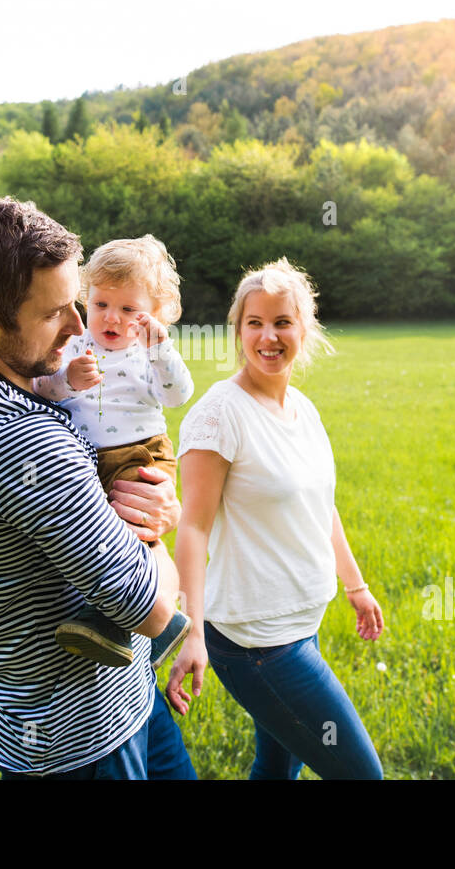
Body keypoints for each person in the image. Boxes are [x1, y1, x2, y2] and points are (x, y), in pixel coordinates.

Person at [0, 193, 195, 779]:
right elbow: (149, 610)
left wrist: (153, 507)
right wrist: (161, 534)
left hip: (127, 696)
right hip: (78, 737)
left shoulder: (0, 392)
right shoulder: (22, 440)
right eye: (56, 313)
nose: (81, 328)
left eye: (79, 304)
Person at [165, 257, 385, 780]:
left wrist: (355, 586)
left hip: (298, 624)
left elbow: (320, 504)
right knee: (362, 774)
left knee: (277, 767)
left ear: (302, 329)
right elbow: (192, 527)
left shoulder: (302, 410)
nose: (269, 336)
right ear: (238, 329)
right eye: (254, 322)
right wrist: (191, 632)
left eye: (282, 322)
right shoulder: (220, 414)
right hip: (254, 642)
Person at [33, 235, 194, 670]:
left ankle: (113, 621)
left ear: (154, 317)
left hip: (139, 454)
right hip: (88, 457)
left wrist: (161, 350)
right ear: (86, 298)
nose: (112, 318)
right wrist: (67, 381)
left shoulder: (150, 354)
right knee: (93, 533)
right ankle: (161, 624)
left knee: (128, 533)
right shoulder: (74, 346)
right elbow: (40, 388)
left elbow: (179, 395)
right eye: (102, 304)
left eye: (129, 310)